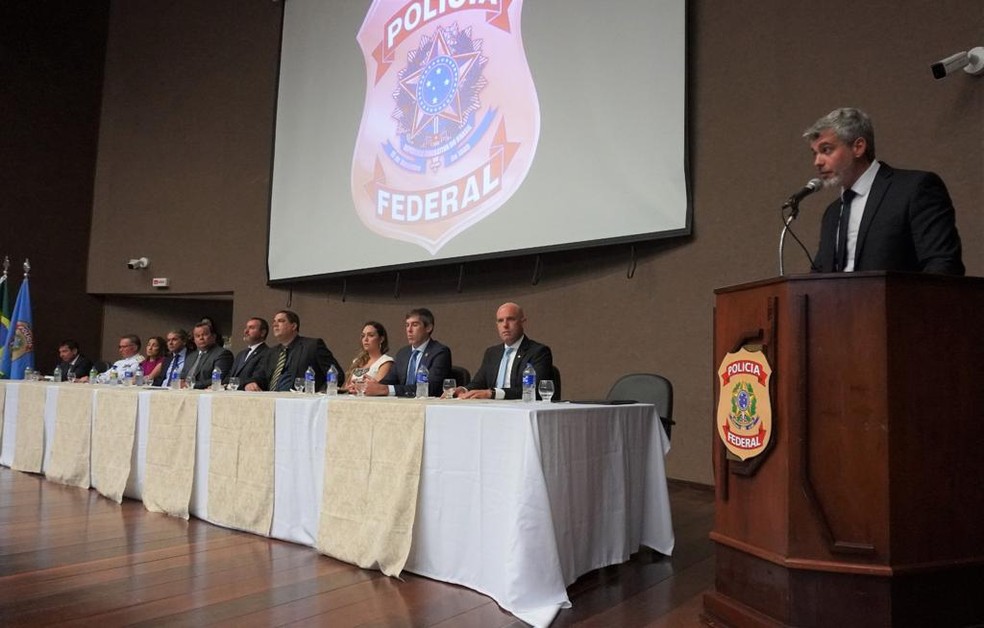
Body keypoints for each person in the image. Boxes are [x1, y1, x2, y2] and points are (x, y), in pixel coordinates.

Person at [803, 107, 964, 275]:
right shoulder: (833, 213)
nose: (817, 162)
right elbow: (820, 275)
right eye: (814, 153)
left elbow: (943, 264)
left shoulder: (914, 189)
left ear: (858, 147)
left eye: (826, 150)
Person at [457, 302, 553, 400]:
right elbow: (479, 383)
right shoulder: (492, 353)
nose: (505, 325)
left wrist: (494, 394)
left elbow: (532, 391)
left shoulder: (538, 352)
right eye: (500, 321)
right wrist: (464, 390)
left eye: (510, 319)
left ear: (522, 322)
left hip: (520, 409)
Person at [243, 310, 344, 392]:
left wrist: (321, 394)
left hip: (303, 403)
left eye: (281, 321)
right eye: (274, 321)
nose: (275, 325)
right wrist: (251, 383)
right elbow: (260, 376)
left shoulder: (312, 346)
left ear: (293, 326)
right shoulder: (271, 352)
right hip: (273, 402)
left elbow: (336, 374)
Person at [364, 307, 451, 398]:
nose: (409, 330)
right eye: (407, 325)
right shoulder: (403, 353)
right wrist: (371, 386)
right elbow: (389, 381)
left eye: (415, 325)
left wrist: (385, 389)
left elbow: (430, 388)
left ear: (428, 328)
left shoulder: (440, 352)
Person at [181, 321, 234, 389]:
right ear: (194, 340)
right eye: (197, 336)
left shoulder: (223, 354)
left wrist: (191, 385)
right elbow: (182, 377)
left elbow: (217, 379)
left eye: (205, 334)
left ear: (213, 337)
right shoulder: (191, 356)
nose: (201, 338)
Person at [344, 321, 394, 391]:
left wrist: (356, 387)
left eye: (371, 335)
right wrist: (349, 388)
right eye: (363, 336)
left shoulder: (386, 362)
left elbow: (375, 387)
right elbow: (346, 387)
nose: (365, 339)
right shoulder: (357, 360)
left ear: (381, 339)